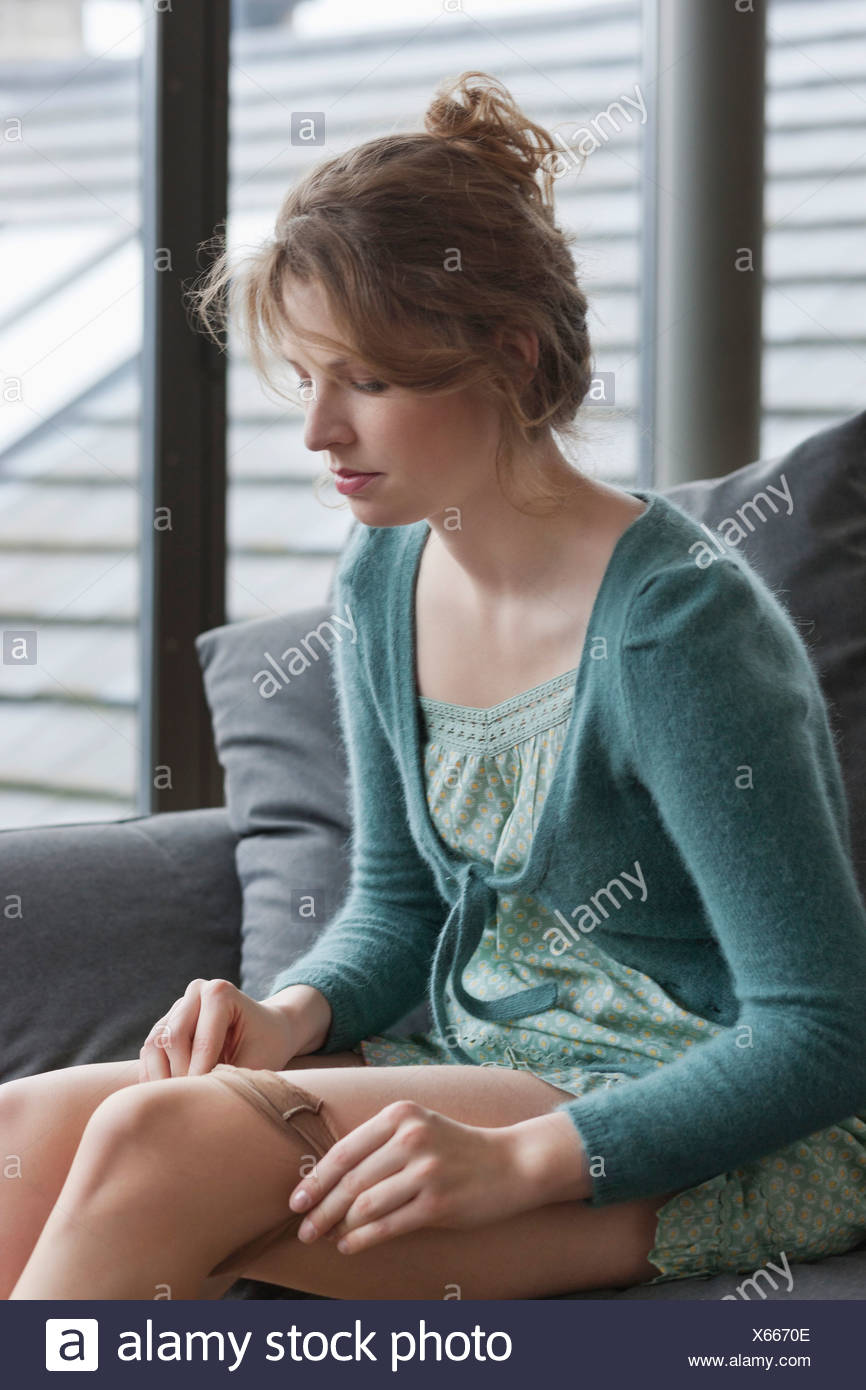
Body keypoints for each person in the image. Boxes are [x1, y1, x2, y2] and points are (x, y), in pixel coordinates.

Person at [5, 71, 866, 1302]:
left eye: (365, 380)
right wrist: (292, 1013)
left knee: (163, 1144)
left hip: (678, 1119)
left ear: (505, 355)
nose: (317, 432)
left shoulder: (680, 626)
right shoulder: (381, 576)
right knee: (23, 1130)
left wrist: (517, 1161)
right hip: (473, 1056)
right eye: (304, 376)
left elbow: (819, 1035)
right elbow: (400, 911)